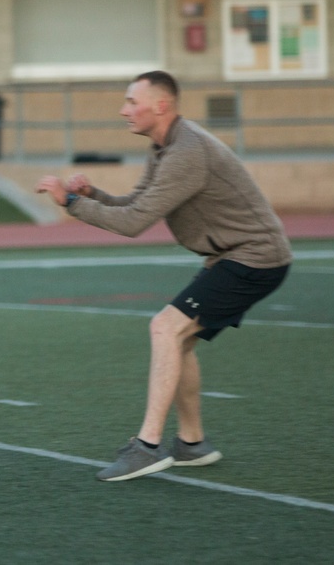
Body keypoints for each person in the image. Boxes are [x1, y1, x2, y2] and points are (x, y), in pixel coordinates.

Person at [36, 70, 292, 482]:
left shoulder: (187, 152)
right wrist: (92, 196)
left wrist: (69, 202)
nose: (123, 110)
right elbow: (138, 203)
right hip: (231, 257)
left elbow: (134, 223)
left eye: (131, 102)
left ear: (161, 106)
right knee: (180, 340)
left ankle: (147, 448)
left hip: (254, 257)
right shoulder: (164, 147)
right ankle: (191, 444)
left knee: (165, 328)